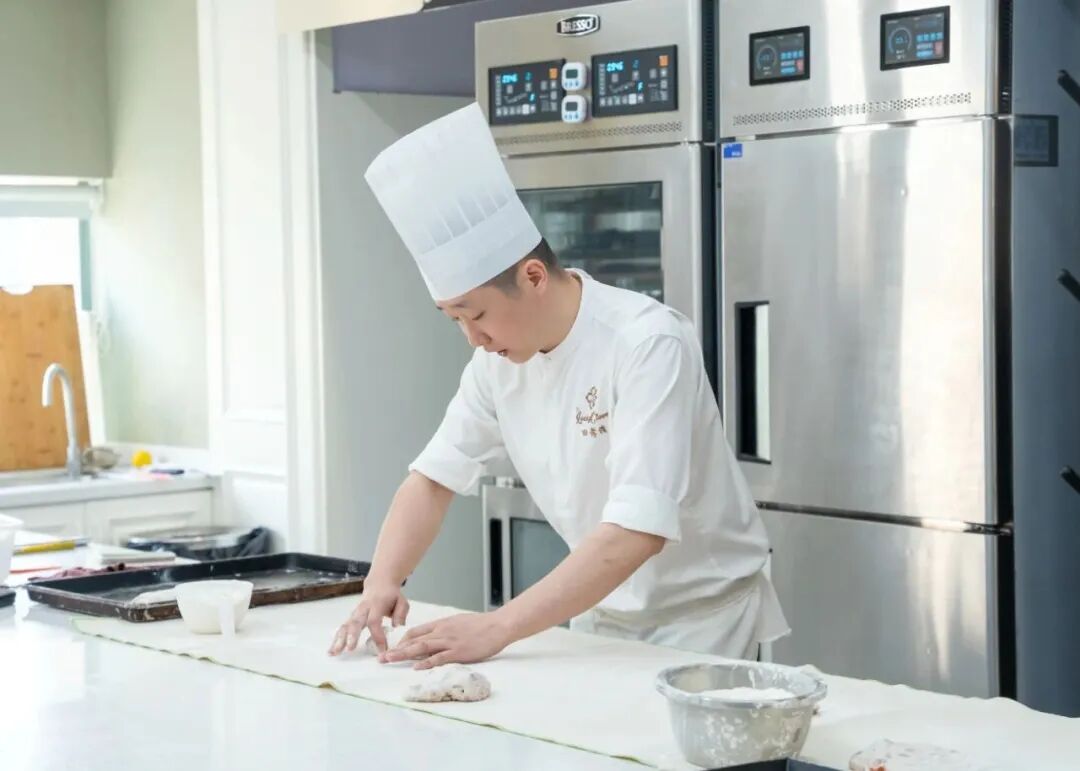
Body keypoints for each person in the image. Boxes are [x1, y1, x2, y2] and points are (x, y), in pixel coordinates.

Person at [328, 103, 787, 669]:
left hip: (701, 623)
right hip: (595, 610)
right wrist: (382, 581)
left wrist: (496, 627)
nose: (473, 338)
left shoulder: (646, 343)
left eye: (476, 314)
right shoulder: (495, 364)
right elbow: (432, 479)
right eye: (454, 320)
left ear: (533, 276)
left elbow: (637, 531)